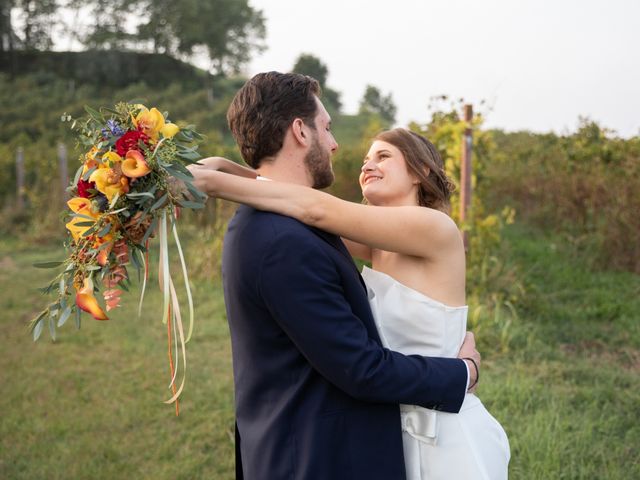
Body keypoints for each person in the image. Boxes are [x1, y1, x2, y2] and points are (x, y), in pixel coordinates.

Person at [188, 71, 486, 480]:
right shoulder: (371, 242)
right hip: (397, 419)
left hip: (438, 425)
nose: (365, 162)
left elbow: (314, 209)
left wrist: (213, 181)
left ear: (418, 172)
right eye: (367, 158)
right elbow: (298, 204)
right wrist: (224, 167)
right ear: (300, 130)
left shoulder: (434, 229)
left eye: (384, 156)